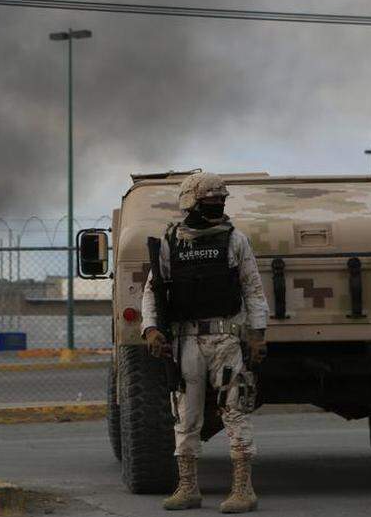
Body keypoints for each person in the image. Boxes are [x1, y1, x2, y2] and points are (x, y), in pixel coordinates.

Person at [140, 172, 270, 513]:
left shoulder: (235, 239)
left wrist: (257, 334)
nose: (217, 206)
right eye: (210, 201)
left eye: (220, 201)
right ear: (191, 203)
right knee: (185, 416)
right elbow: (153, 291)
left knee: (235, 410)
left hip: (226, 339)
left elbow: (253, 289)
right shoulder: (170, 241)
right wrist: (151, 329)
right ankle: (188, 488)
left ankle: (243, 490)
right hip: (185, 341)